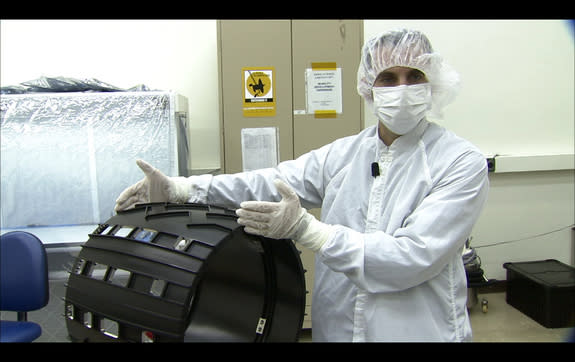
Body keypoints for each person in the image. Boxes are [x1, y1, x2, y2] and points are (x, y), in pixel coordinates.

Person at [115, 29, 489, 342]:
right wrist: (183, 190)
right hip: (339, 330)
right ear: (369, 87)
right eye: (388, 78)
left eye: (414, 77)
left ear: (432, 83)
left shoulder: (458, 161)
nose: (402, 89)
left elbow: (412, 258)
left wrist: (308, 230)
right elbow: (270, 181)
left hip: (418, 332)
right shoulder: (346, 154)